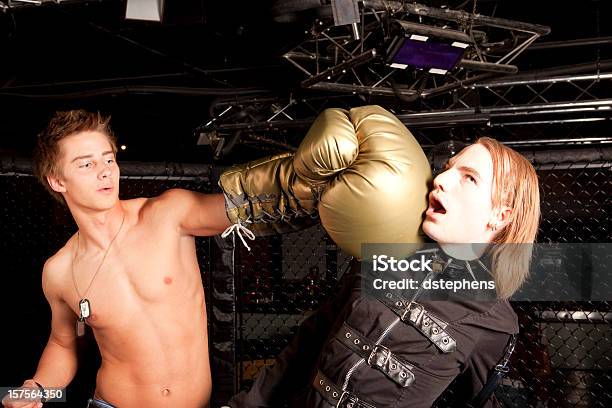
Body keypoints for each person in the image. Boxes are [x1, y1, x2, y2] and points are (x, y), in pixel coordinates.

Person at [2, 108, 325, 408]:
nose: (104, 172)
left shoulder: (167, 213)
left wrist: (319, 178)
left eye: (108, 159)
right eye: (86, 164)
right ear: (58, 181)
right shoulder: (58, 271)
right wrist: (37, 388)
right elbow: (63, 345)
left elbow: (255, 204)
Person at [227, 110, 541, 407]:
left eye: (469, 178)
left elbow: (478, 401)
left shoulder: (496, 324)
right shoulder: (385, 255)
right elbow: (309, 342)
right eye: (448, 168)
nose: (441, 180)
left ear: (501, 215)